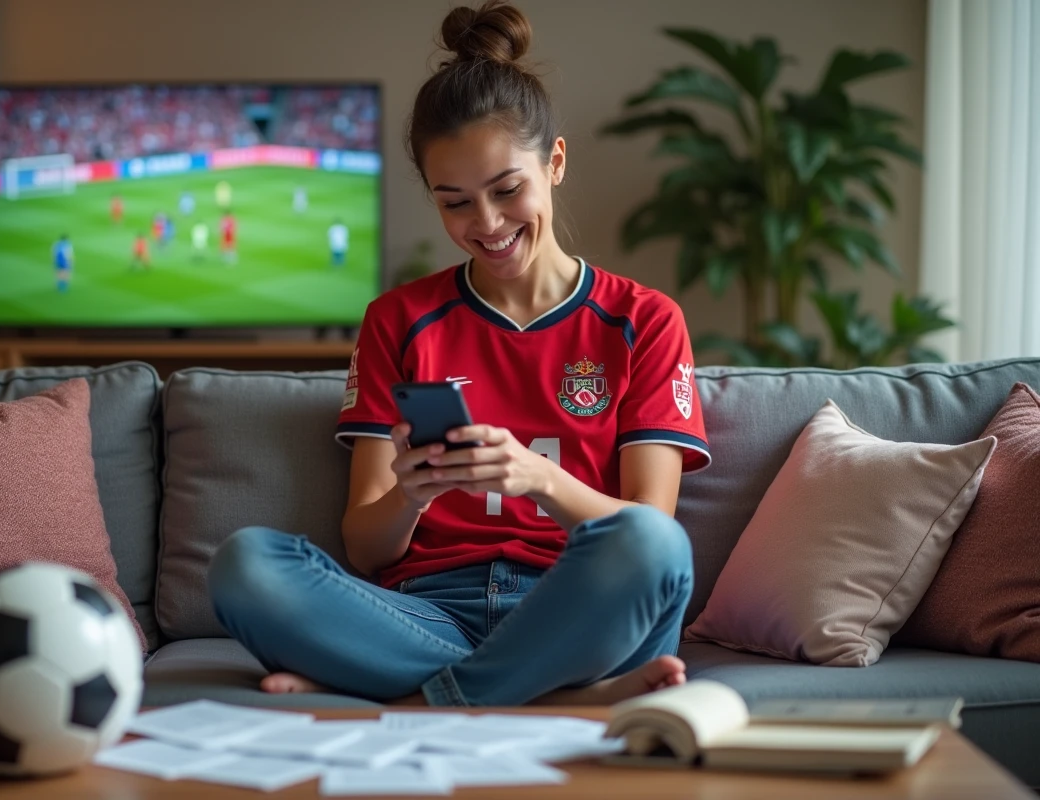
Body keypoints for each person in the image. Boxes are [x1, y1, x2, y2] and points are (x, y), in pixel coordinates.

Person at [207, 0, 710, 708]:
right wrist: (412, 495)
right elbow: (367, 549)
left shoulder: (644, 320)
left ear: (555, 163)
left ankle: (427, 700)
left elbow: (647, 526)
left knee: (656, 545)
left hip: (575, 612)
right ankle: (544, 697)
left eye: (507, 190)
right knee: (246, 564)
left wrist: (537, 478)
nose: (488, 224)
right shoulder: (398, 320)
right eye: (456, 203)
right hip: (427, 614)